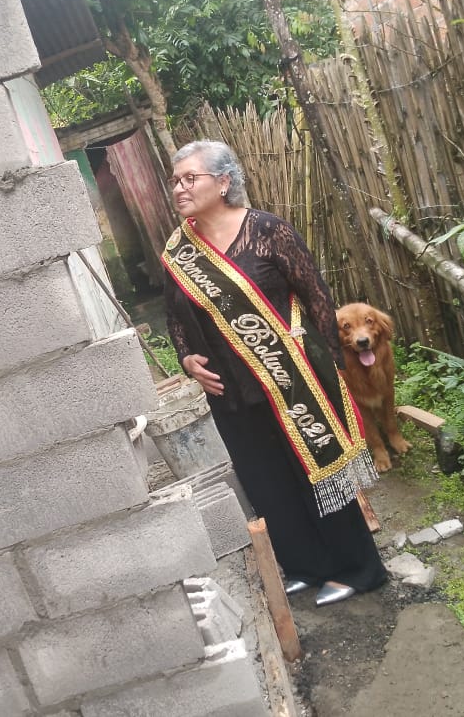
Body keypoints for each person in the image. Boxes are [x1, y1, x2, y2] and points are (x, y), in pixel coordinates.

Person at [162, 140, 387, 606]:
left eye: (190, 178)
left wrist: (331, 365)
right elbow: (175, 317)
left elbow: (316, 295)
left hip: (292, 380)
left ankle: (359, 570)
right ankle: (306, 566)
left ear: (223, 182)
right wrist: (186, 359)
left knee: (318, 472)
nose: (180, 188)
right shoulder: (178, 252)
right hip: (231, 391)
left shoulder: (267, 231)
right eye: (175, 180)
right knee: (266, 481)